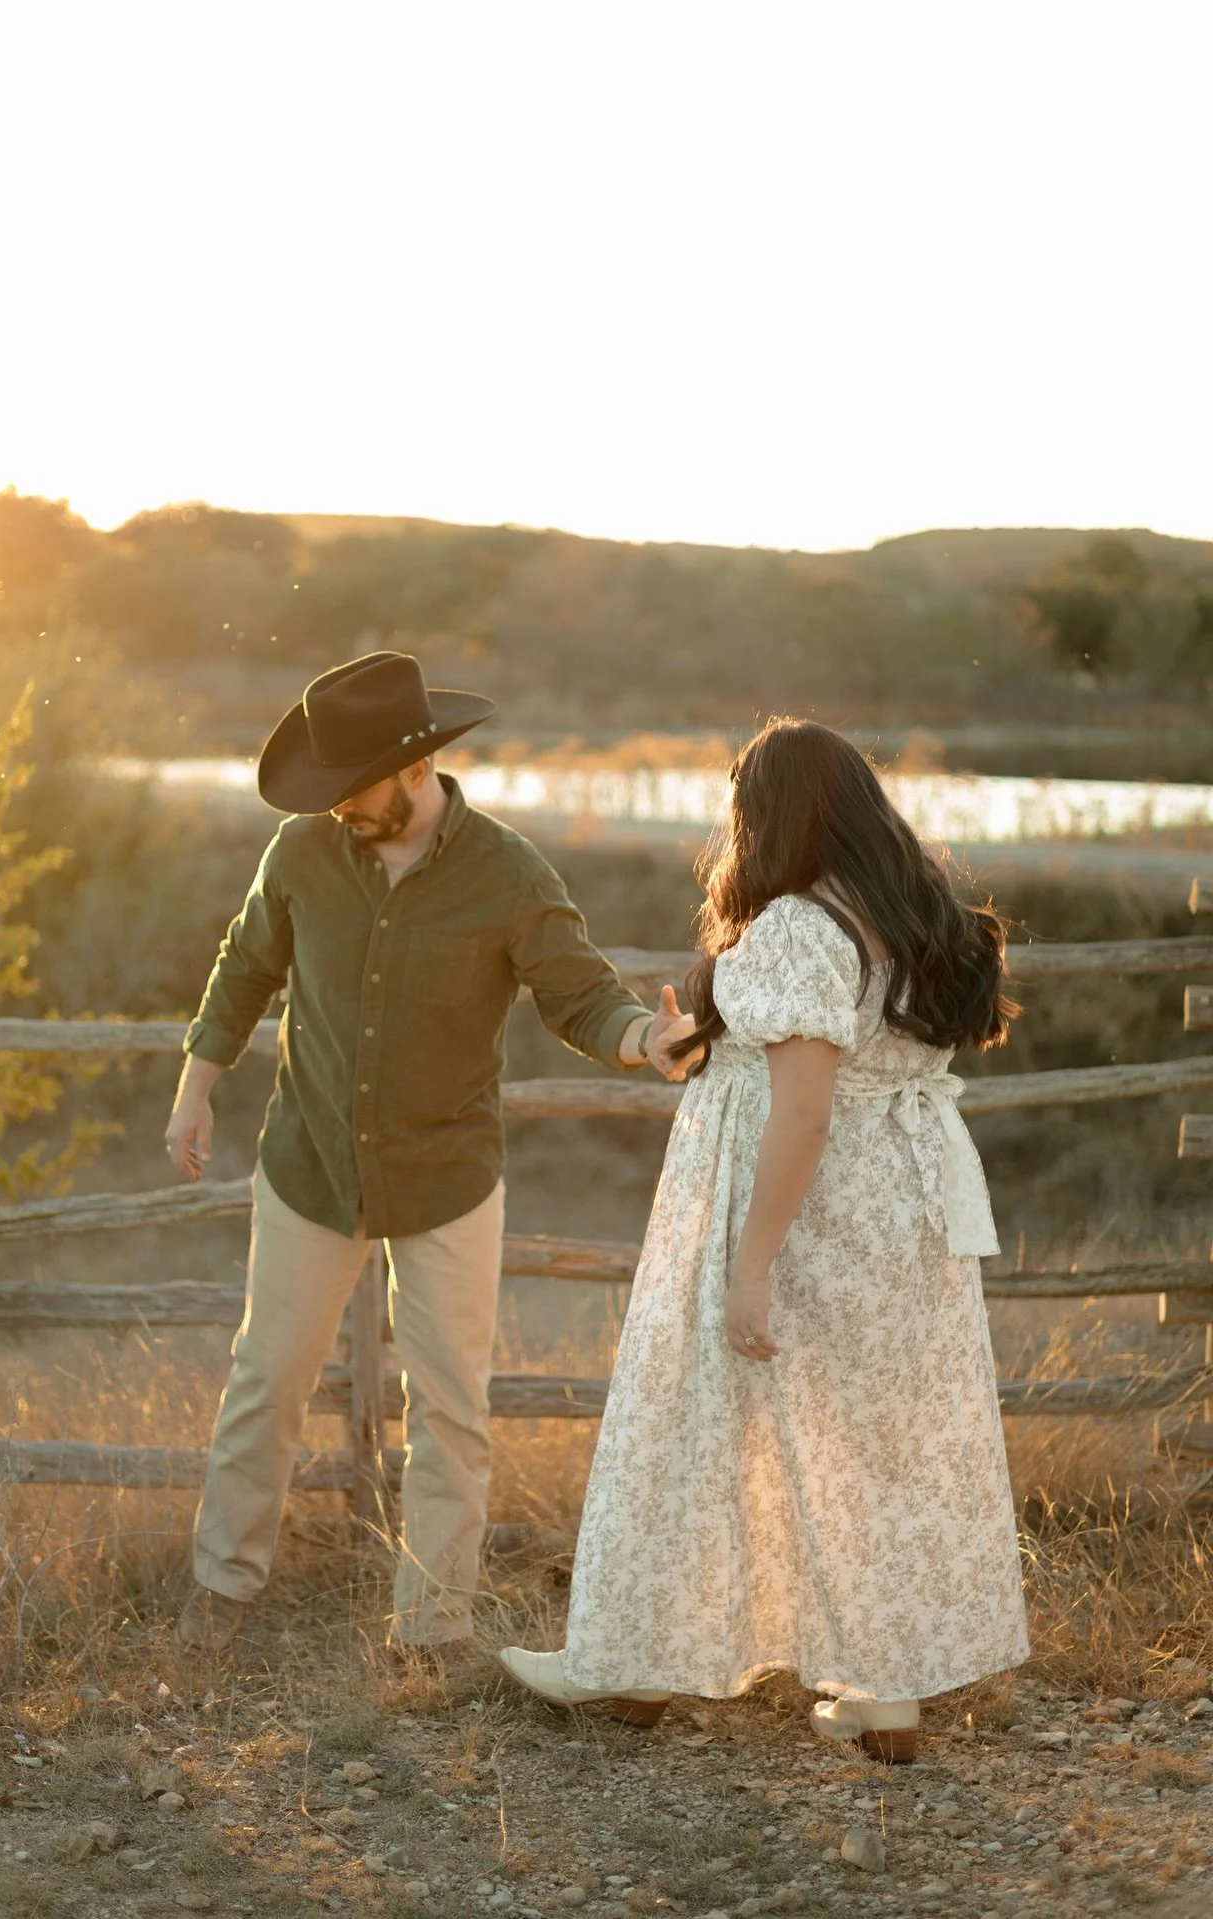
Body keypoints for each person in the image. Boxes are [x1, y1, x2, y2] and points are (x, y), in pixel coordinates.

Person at [499, 718, 1029, 1760]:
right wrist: (716, 1033)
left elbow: (804, 1110)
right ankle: (886, 1688)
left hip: (804, 1210)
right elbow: (841, 1051)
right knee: (871, 1439)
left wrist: (750, 1263)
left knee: (687, 1410)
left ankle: (631, 1662)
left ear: (768, 815)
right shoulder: (901, 915)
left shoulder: (794, 924)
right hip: (896, 1212)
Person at [166, 650, 695, 1654]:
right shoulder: (300, 853)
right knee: (265, 1381)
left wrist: (644, 1038)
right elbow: (245, 966)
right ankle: (223, 1588)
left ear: (417, 769)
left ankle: (433, 1626)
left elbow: (579, 991)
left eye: (351, 789)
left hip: (447, 1175)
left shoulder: (507, 871)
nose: (336, 810)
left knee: (449, 1408)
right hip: (310, 1164)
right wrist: (197, 1086)